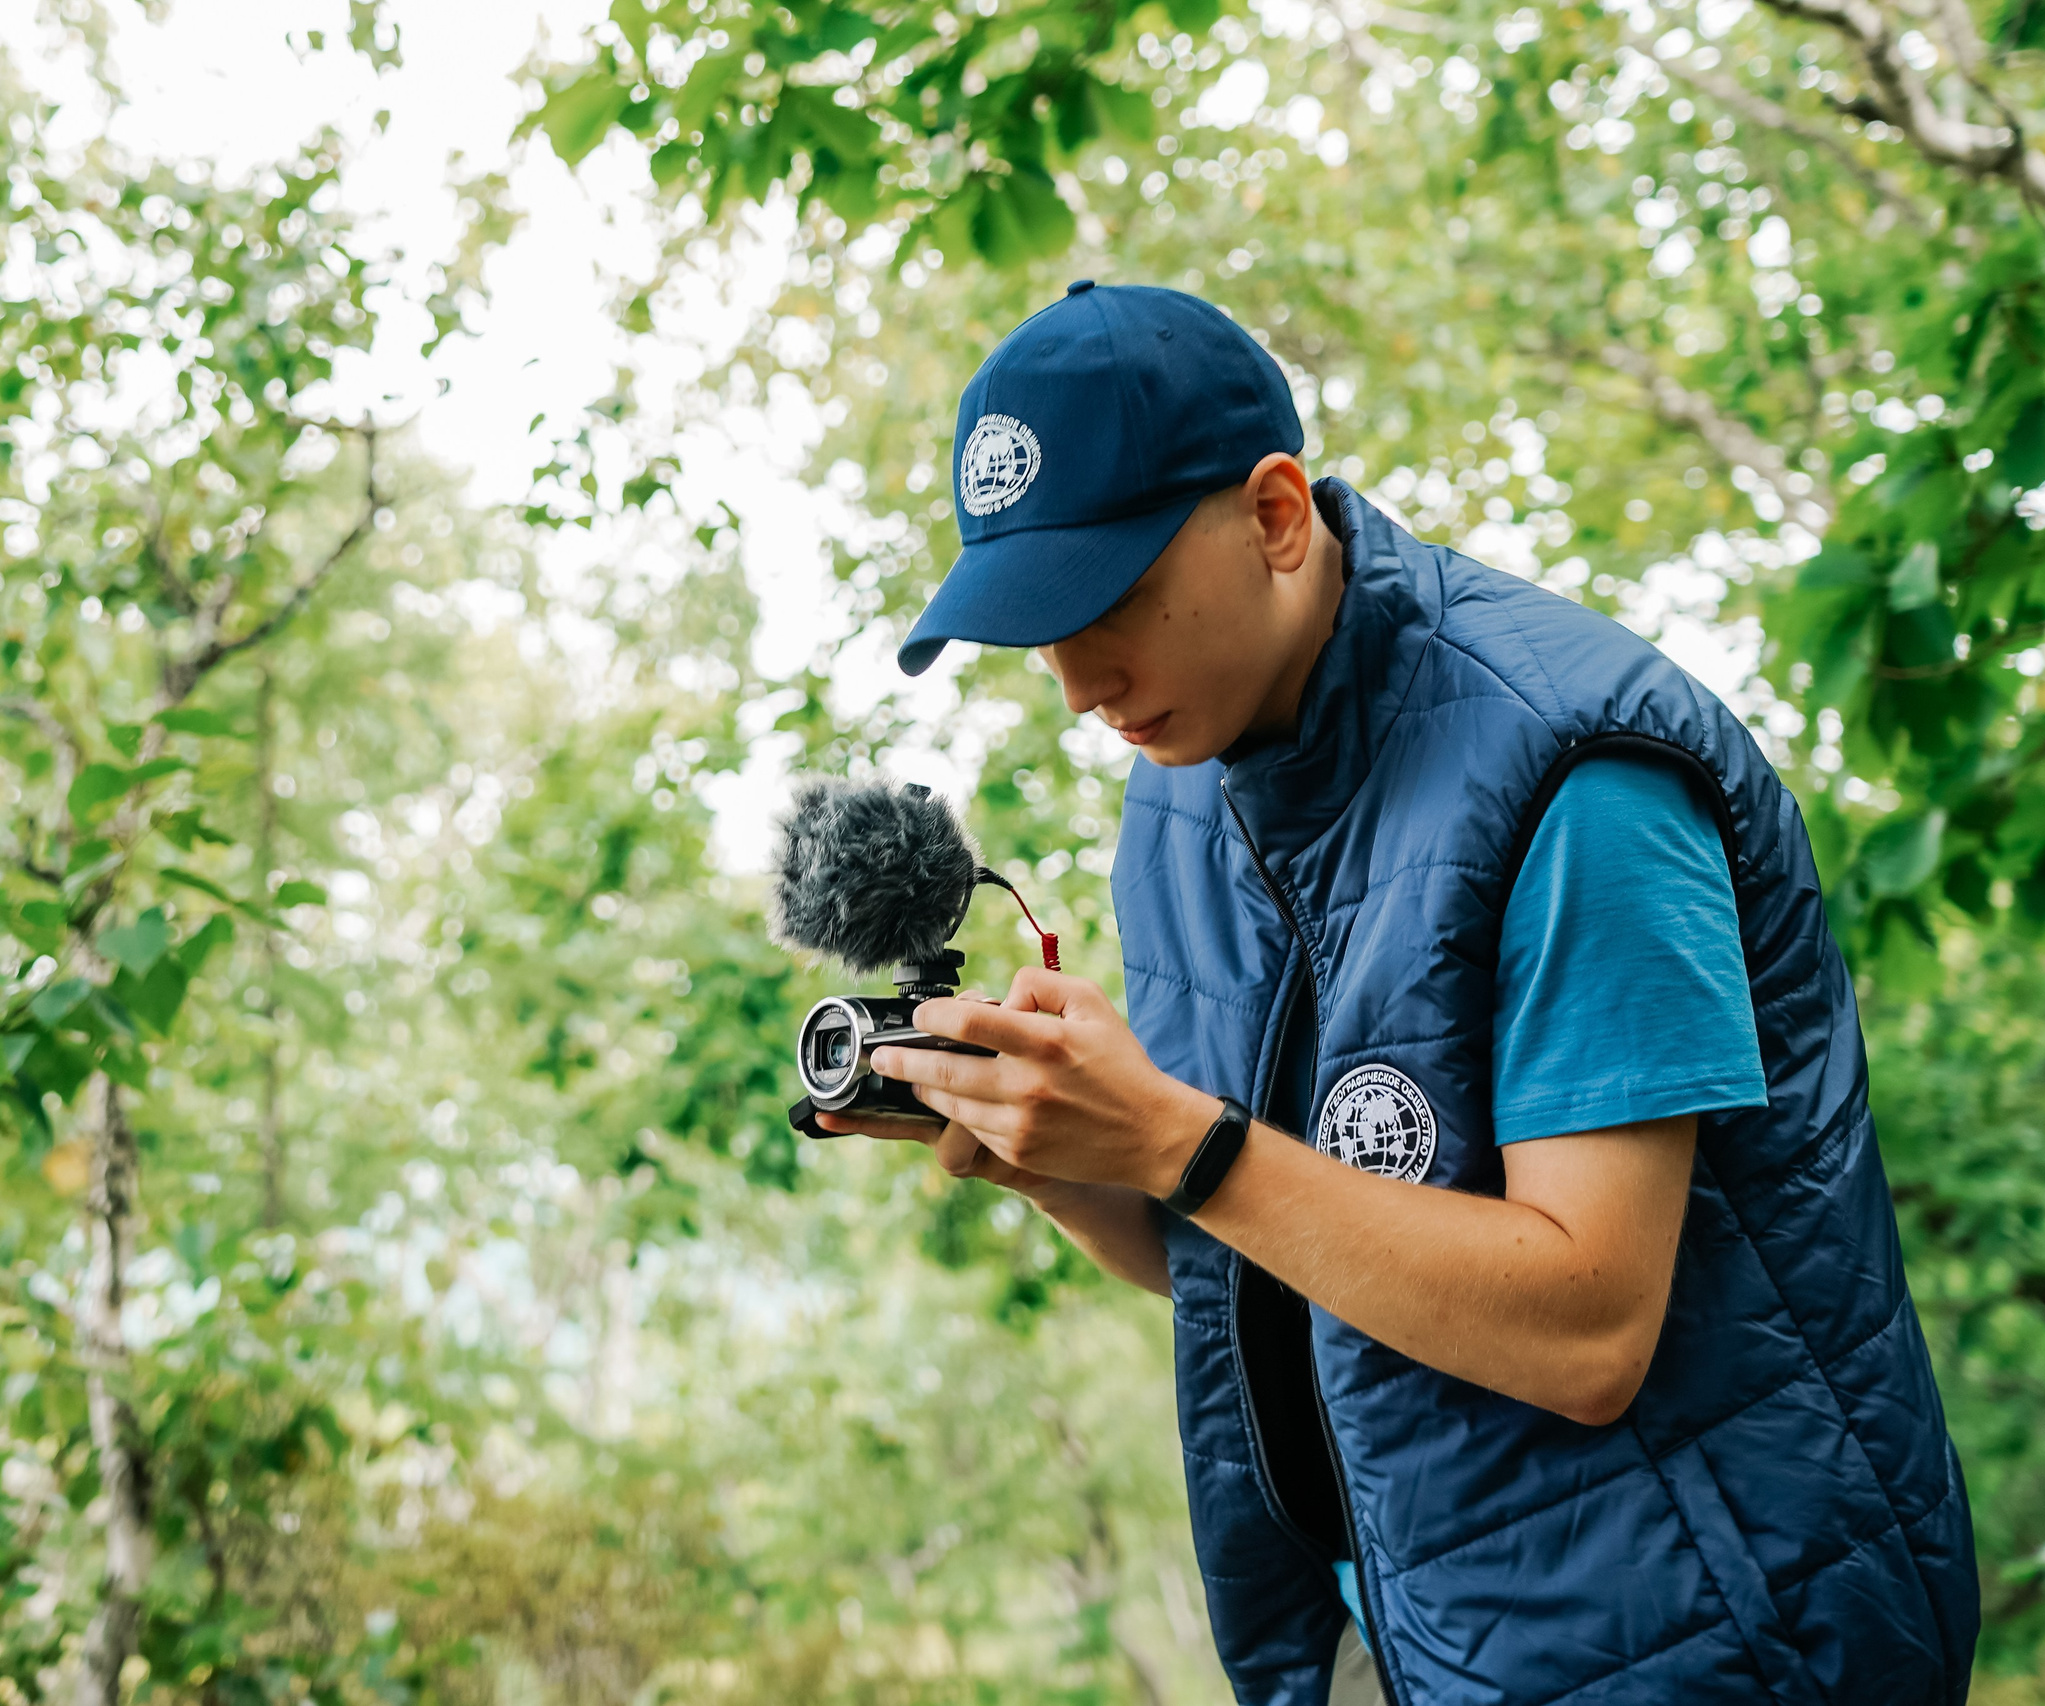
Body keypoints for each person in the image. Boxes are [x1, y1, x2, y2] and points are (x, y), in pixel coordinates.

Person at [817, 279, 1979, 1706]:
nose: (1074, 684)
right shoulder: (1185, 801)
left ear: (1275, 515)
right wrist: (1065, 1157)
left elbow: (1588, 1326)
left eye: (1105, 601)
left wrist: (1176, 1141)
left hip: (1710, 1636)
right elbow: (1256, 1256)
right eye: (1033, 632)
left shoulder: (1580, 777)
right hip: (1393, 1634)